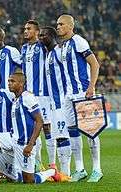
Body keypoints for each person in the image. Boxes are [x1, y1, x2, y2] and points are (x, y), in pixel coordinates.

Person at [57, 14, 102, 182]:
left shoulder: (79, 41)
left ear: (70, 26)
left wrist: (91, 87)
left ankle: (97, 169)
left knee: (91, 131)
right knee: (73, 132)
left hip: (83, 93)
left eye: (61, 24)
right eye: (57, 24)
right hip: (68, 95)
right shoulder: (62, 46)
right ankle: (80, 169)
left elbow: (94, 64)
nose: (58, 27)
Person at [7, 71, 58, 184]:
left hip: (26, 144)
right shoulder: (15, 99)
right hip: (16, 143)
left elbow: (39, 121)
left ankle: (52, 172)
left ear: (21, 84)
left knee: (29, 181)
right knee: (17, 178)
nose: (9, 83)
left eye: (12, 81)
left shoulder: (28, 98)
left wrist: (30, 144)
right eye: (9, 81)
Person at [21, 20, 56, 170]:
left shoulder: (43, 47)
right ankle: (38, 162)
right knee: (32, 128)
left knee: (47, 127)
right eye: (24, 29)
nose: (25, 31)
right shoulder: (23, 48)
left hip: (43, 94)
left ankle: (53, 164)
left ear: (37, 32)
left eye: (29, 29)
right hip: (28, 95)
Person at [39, 26, 72, 180]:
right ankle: (61, 173)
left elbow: (68, 72)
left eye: (44, 35)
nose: (40, 38)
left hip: (62, 102)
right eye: (40, 35)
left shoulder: (59, 51)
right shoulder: (49, 54)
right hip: (53, 103)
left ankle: (66, 172)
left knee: (62, 136)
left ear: (52, 36)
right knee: (57, 136)